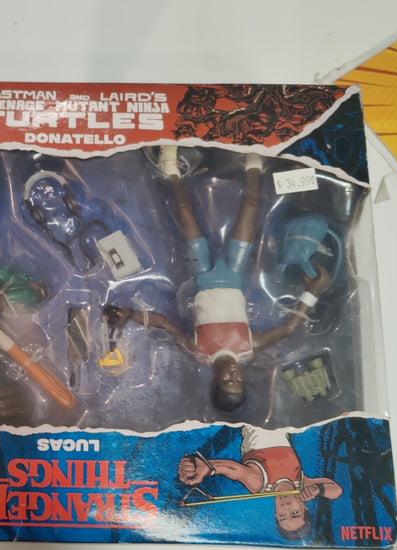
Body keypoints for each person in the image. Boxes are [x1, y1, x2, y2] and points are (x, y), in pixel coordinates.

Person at [106, 147, 332, 411]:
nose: (234, 374)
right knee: (250, 208)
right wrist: (313, 293)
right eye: (239, 381)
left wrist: (129, 314)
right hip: (234, 273)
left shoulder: (199, 350)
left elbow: (164, 324)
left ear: (214, 382)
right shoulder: (247, 348)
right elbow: (287, 329)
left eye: (227, 381)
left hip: (202, 273)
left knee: (184, 213)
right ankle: (255, 162)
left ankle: (171, 171)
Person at [178, 425, 342, 540]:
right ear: (304, 507)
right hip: (281, 421)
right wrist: (317, 490)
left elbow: (236, 471)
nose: (285, 507)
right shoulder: (301, 484)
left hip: (256, 419)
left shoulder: (261, 485)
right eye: (294, 513)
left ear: (275, 513)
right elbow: (336, 491)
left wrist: (207, 468)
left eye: (282, 516)